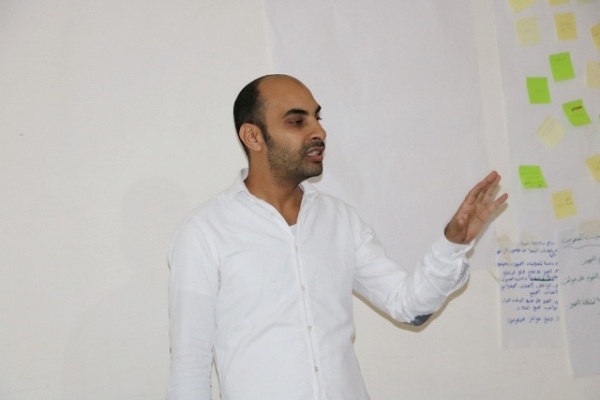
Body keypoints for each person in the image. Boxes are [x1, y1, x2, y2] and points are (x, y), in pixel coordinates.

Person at [167, 74, 508, 399]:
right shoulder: (205, 232)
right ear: (253, 137)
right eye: (297, 121)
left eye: (317, 118)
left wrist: (453, 245)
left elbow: (409, 306)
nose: (319, 131)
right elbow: (190, 363)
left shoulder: (339, 219)